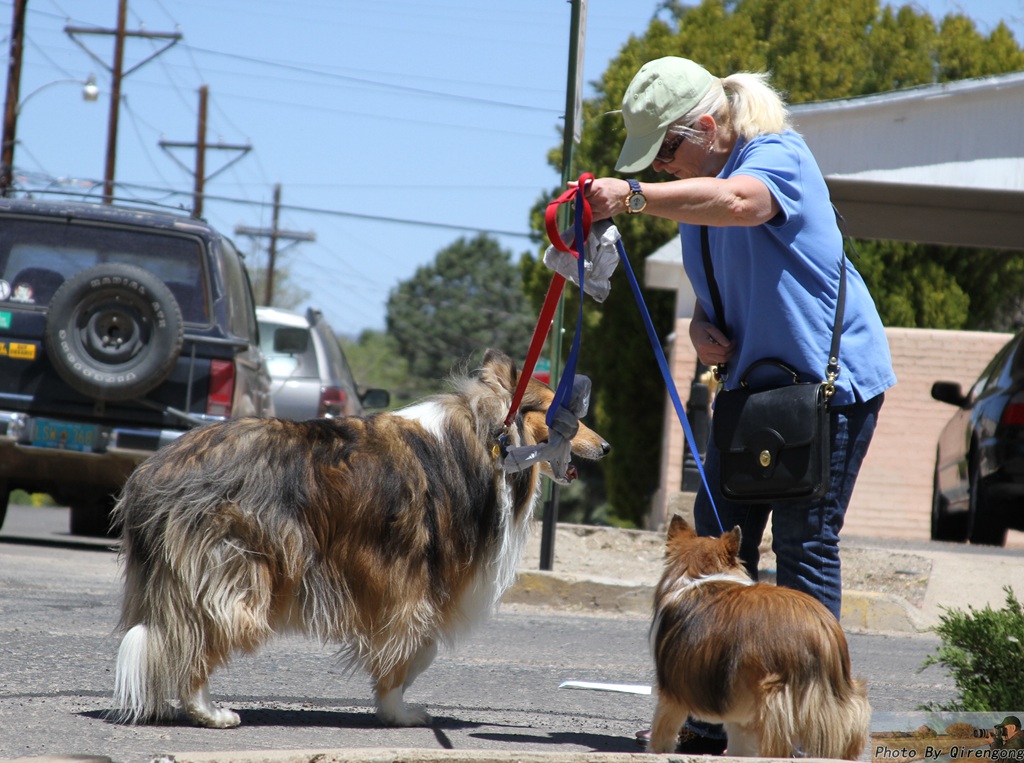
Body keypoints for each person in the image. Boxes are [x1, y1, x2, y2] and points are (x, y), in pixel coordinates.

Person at [581, 56, 897, 753]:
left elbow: (742, 206)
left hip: (826, 389)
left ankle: (813, 724)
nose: (662, 171)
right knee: (719, 546)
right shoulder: (702, 187)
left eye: (665, 151)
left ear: (704, 124)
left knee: (804, 545)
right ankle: (708, 713)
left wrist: (631, 196)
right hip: (756, 395)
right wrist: (698, 323)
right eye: (654, 163)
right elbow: (720, 274)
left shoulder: (776, 156)